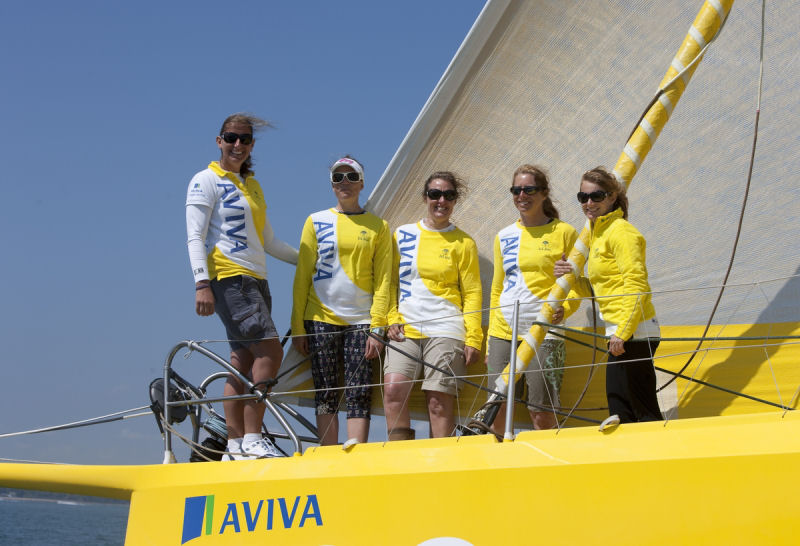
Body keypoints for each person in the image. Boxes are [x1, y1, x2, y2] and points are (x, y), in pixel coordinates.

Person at [186, 113, 299, 459]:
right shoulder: (205, 180)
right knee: (271, 351)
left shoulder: (252, 186)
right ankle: (252, 438)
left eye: (245, 139)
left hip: (257, 279)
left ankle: (234, 445)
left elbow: (268, 240)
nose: (238, 145)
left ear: (251, 146)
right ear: (219, 140)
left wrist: (308, 259)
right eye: (231, 137)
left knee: (243, 359)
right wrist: (201, 283)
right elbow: (194, 235)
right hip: (230, 278)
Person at [291, 156, 392, 446]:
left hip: (361, 320)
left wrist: (378, 327)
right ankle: (327, 452)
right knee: (325, 391)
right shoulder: (315, 221)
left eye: (351, 177)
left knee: (359, 390)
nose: (344, 183)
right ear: (332, 185)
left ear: (362, 183)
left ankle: (356, 453)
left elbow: (383, 280)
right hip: (320, 318)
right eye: (338, 178)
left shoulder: (379, 227)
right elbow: (301, 277)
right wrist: (297, 325)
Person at [554, 166, 662, 423]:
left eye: (597, 196)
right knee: (621, 410)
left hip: (635, 333)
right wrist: (570, 276)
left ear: (612, 197)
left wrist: (623, 332)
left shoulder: (621, 232)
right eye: (583, 197)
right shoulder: (597, 233)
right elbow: (601, 288)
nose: (589, 203)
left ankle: (660, 460)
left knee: (640, 411)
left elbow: (637, 284)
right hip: (621, 332)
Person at [383, 172, 482, 440]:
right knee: (393, 390)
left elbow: (472, 292)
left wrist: (474, 337)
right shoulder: (402, 234)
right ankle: (399, 458)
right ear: (425, 197)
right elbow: (390, 282)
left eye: (448, 195)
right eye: (435, 194)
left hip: (446, 327)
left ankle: (440, 461)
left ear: (455, 200)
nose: (441, 200)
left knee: (438, 400)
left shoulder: (464, 242)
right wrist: (390, 317)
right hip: (405, 327)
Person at [486, 165, 579, 433]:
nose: (521, 195)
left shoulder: (565, 232)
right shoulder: (503, 235)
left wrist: (567, 308)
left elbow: (576, 286)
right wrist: (490, 335)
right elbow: (497, 288)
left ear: (544, 193)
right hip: (503, 332)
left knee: (541, 409)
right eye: (516, 190)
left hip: (545, 330)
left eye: (529, 189)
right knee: (497, 406)